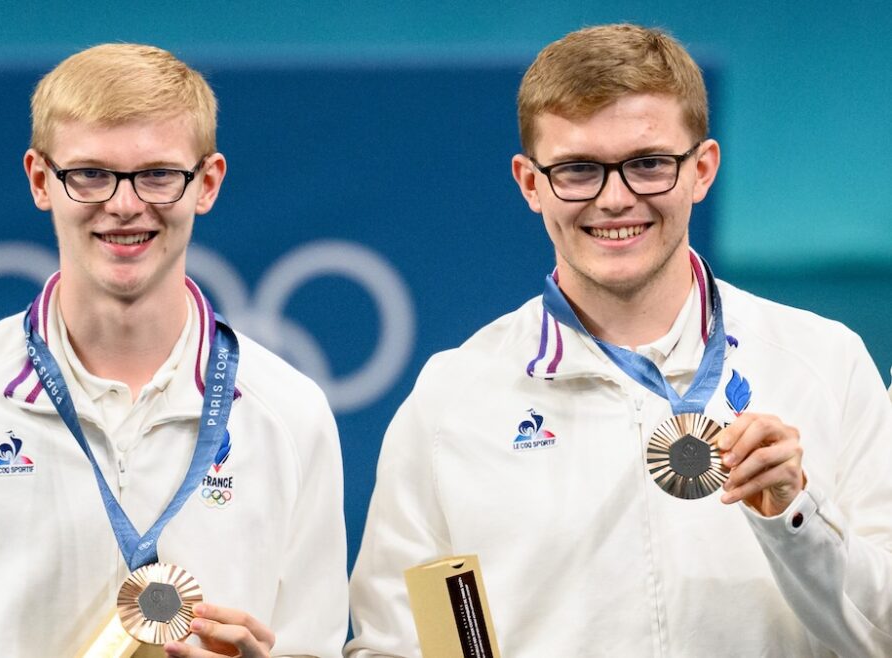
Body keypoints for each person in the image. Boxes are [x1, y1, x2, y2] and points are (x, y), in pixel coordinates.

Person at [347, 23, 892, 657]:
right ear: (530, 183)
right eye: (579, 169)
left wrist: (797, 517)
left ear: (702, 169)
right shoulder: (453, 399)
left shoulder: (826, 364)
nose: (615, 198)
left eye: (649, 164)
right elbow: (400, 646)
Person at [0, 44, 347, 657]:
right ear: (40, 180)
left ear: (206, 183)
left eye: (158, 174)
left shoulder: (291, 413)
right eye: (90, 174)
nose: (125, 204)